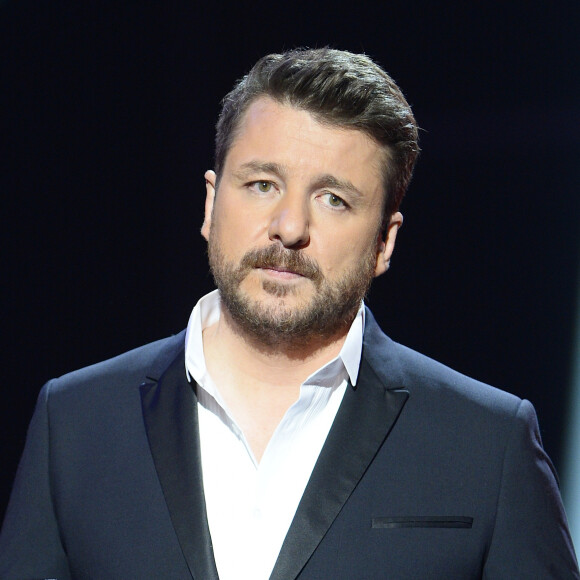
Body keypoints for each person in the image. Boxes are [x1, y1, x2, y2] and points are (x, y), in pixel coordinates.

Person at [0, 47, 577, 580]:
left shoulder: (486, 444)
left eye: (334, 200)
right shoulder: (75, 422)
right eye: (260, 184)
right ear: (210, 203)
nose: (290, 227)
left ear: (384, 243)